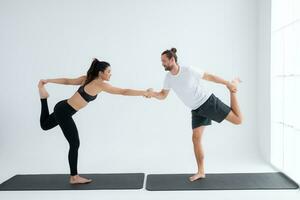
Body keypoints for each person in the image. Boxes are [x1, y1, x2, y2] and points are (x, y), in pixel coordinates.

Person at [38, 58, 151, 184]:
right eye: (108, 71)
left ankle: (43, 98)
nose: (110, 74)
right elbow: (123, 92)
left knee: (45, 125)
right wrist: (143, 92)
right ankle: (74, 177)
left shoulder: (88, 79)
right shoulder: (99, 84)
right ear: (100, 73)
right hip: (64, 112)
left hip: (63, 108)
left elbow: (68, 81)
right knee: (74, 143)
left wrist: (48, 81)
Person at [146, 48, 243, 182]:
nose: (162, 63)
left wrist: (227, 83)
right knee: (196, 139)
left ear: (172, 60)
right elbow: (163, 95)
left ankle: (233, 88)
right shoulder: (168, 78)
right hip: (196, 109)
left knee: (238, 120)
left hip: (208, 102)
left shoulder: (188, 70)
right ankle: (201, 172)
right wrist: (152, 94)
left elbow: (209, 76)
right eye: (161, 61)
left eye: (164, 61)